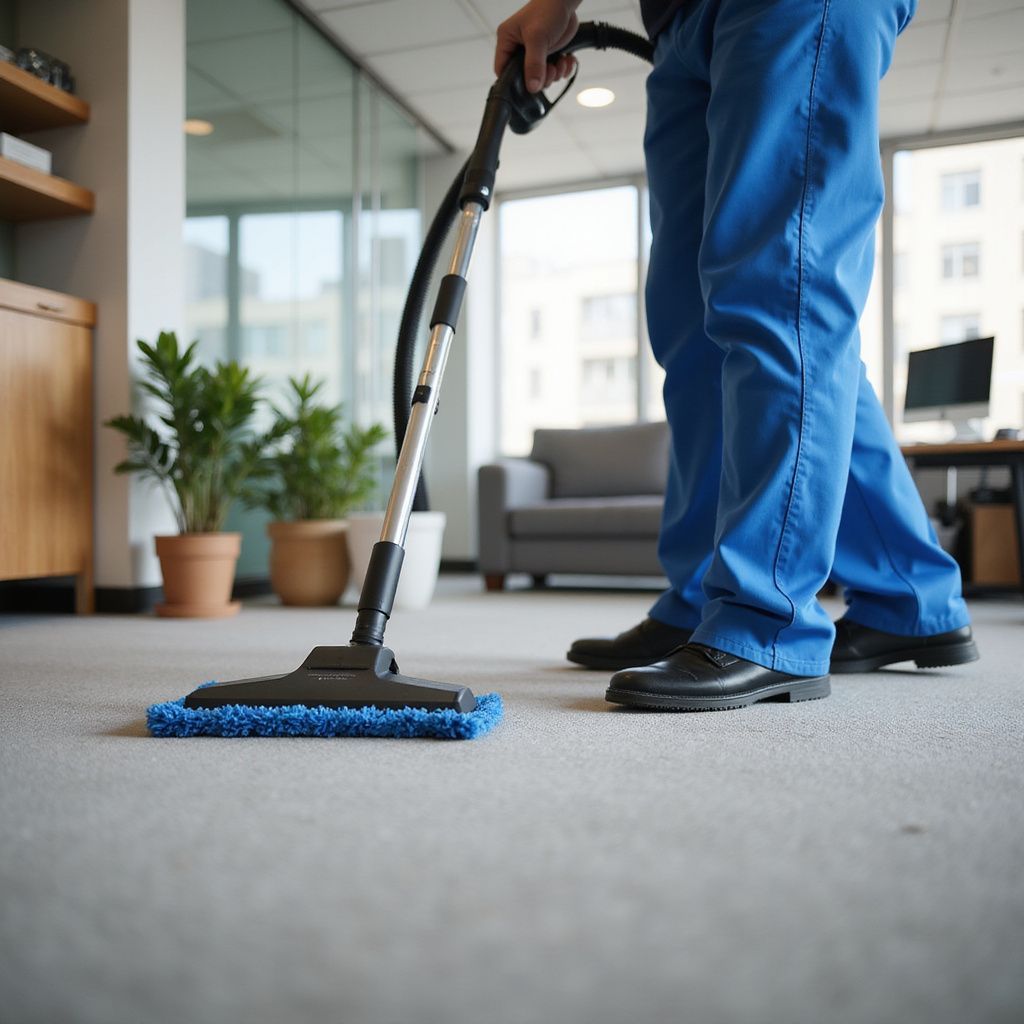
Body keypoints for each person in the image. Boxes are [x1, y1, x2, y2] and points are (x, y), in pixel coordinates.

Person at [494, 0, 979, 711]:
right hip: (679, 22)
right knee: (695, 329)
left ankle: (764, 615)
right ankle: (903, 595)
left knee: (779, 288)